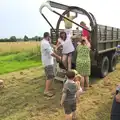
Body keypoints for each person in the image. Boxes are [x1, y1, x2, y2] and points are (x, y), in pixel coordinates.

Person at [41, 32, 61, 97]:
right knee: (50, 76)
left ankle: (49, 88)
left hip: (49, 61)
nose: (50, 38)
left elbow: (52, 47)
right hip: (47, 62)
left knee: (51, 76)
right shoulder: (45, 43)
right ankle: (46, 91)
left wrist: (57, 45)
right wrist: (58, 57)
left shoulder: (45, 42)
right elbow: (51, 53)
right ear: (48, 36)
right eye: (49, 37)